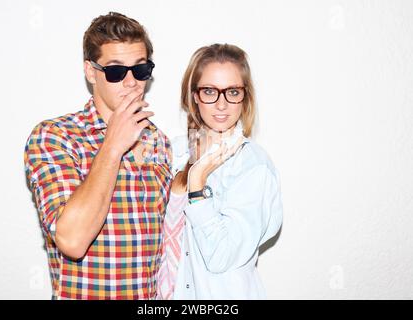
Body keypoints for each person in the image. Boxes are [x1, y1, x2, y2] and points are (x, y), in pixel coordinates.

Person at [24, 12, 172, 300]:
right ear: (91, 72)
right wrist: (112, 147)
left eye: (140, 70)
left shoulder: (159, 142)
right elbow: (72, 240)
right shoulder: (56, 136)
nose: (131, 82)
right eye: (116, 71)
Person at [156, 44, 283, 300]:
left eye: (233, 92)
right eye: (210, 91)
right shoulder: (174, 152)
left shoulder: (252, 165)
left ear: (245, 96)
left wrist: (198, 182)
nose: (222, 104)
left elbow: (220, 257)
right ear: (194, 96)